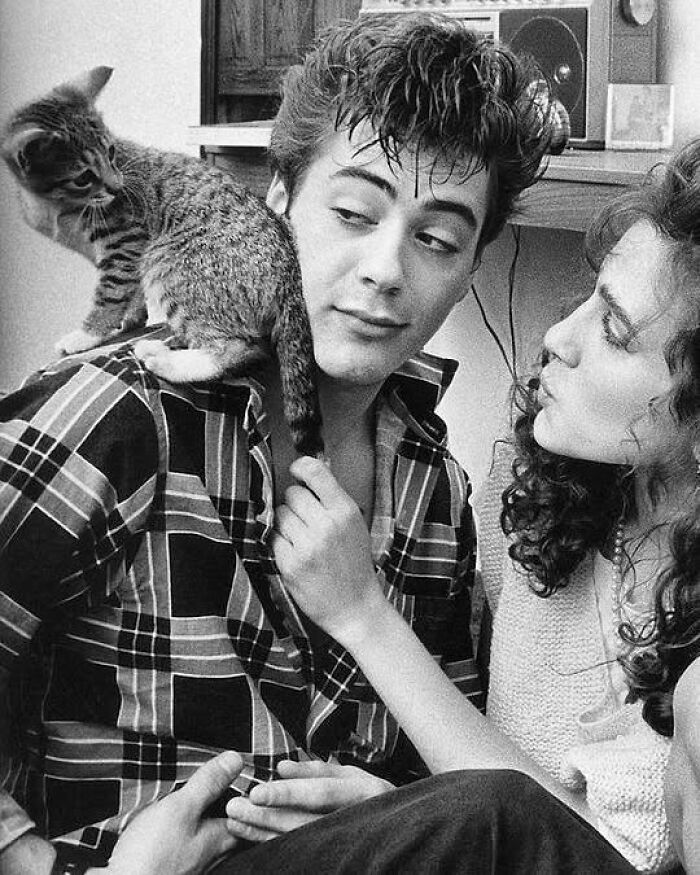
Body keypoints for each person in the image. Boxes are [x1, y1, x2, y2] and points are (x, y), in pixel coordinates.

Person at [0, 12, 556, 875]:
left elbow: (449, 778)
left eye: (437, 239)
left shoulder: (435, 490)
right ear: (276, 203)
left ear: (470, 269)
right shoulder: (120, 414)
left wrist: (386, 808)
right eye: (353, 213)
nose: (384, 270)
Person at [218, 140, 700, 873]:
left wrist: (363, 615)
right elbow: (483, 781)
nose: (557, 338)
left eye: (613, 331)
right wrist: (403, 809)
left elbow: (552, 838)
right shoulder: (533, 504)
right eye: (586, 299)